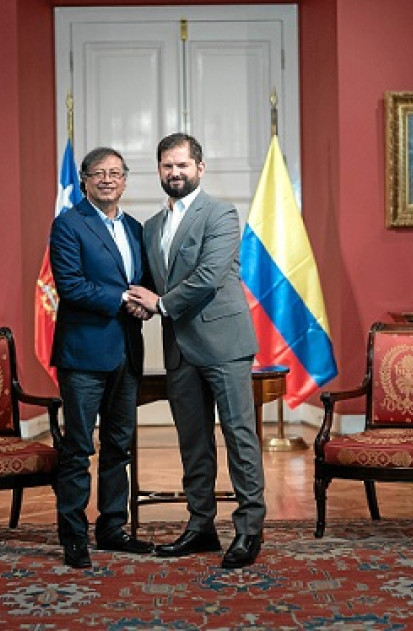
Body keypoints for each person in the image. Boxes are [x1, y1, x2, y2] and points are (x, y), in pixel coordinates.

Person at [127, 132, 266, 569]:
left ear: (199, 168)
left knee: (239, 437)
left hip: (225, 344)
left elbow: (208, 276)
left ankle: (249, 530)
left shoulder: (221, 213)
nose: (175, 172)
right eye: (167, 165)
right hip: (179, 348)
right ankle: (201, 525)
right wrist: (139, 301)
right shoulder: (151, 227)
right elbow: (153, 283)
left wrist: (159, 305)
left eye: (182, 165)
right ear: (159, 170)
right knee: (193, 442)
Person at [49, 146, 152, 568]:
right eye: (99, 173)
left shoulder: (135, 228)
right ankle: (74, 536)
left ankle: (112, 528)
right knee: (77, 448)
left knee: (118, 447)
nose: (107, 179)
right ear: (85, 180)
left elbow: (144, 283)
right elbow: (71, 286)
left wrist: (146, 304)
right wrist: (125, 299)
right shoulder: (69, 224)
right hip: (83, 355)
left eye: (115, 173)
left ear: (125, 180)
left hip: (127, 352)